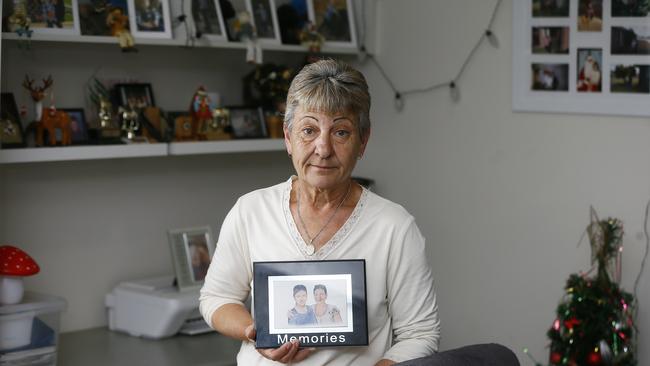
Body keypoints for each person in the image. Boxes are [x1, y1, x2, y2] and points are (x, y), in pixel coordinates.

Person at [199, 59, 440, 365]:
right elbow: (217, 299)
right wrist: (254, 332)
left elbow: (420, 334)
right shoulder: (251, 211)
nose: (323, 149)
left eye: (341, 133)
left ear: (362, 142)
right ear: (288, 138)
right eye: (309, 130)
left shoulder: (394, 227)